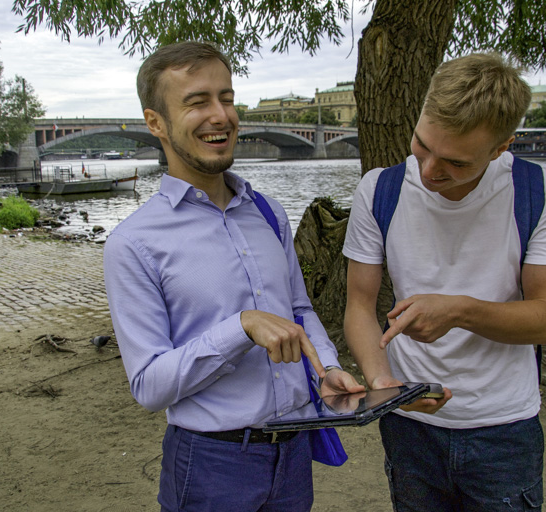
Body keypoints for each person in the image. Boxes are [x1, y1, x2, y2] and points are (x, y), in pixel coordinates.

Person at [103, 41, 363, 512]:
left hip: (293, 454)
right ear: (155, 123)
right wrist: (240, 328)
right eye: (197, 102)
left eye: (226, 97)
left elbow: (298, 310)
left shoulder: (268, 213)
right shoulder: (134, 243)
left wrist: (326, 370)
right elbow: (147, 385)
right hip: (210, 466)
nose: (220, 115)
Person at [343, 53, 546, 511]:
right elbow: (359, 307)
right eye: (422, 145)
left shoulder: (537, 188)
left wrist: (459, 310)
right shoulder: (378, 190)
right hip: (408, 426)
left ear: (501, 147)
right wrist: (383, 384)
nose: (427, 173)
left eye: (456, 163)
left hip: (504, 429)